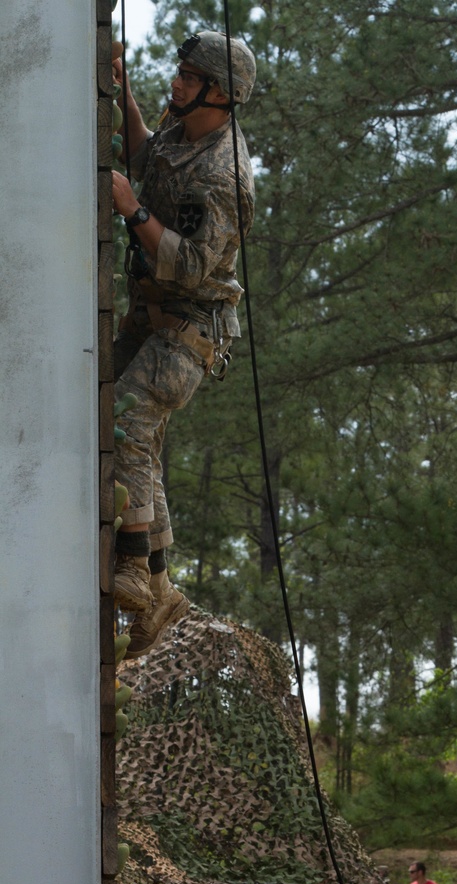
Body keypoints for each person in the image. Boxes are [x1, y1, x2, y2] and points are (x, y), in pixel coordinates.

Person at [111, 32, 256, 658]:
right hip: (153, 315)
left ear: (220, 95)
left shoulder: (225, 175)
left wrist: (133, 212)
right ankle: (164, 592)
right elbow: (146, 154)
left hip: (190, 326)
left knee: (126, 417)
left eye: (190, 75)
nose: (177, 81)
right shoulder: (184, 127)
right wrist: (123, 94)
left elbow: (193, 265)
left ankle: (137, 566)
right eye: (179, 70)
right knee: (138, 442)